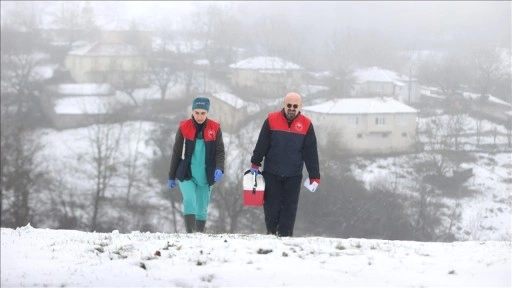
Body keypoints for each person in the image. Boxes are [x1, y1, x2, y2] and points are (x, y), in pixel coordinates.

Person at [249, 92, 320, 237]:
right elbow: (262, 143)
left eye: (295, 106)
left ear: (300, 107)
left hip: (293, 174)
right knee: (271, 206)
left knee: (290, 208)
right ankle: (271, 232)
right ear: (284, 105)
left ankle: (285, 236)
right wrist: (255, 163)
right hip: (271, 172)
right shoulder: (271, 120)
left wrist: (315, 175)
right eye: (289, 105)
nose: (292, 108)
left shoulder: (306, 125)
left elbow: (310, 152)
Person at [168, 96, 225, 233]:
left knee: (201, 207)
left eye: (203, 113)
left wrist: (219, 168)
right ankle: (190, 233)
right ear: (192, 112)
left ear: (207, 112)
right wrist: (171, 176)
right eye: (197, 113)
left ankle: (198, 235)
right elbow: (176, 152)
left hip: (206, 175)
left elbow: (220, 151)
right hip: (187, 173)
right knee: (189, 200)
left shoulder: (215, 128)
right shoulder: (184, 127)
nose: (200, 116)